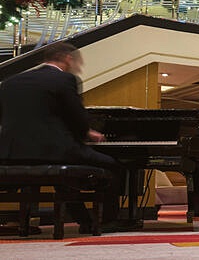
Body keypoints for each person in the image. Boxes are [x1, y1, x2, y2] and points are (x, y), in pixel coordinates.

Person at [0, 42, 125, 232]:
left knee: (65, 173)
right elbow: (78, 118)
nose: (78, 68)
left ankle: (85, 221)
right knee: (112, 165)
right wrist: (87, 132)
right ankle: (106, 222)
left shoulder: (10, 82)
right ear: (68, 58)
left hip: (11, 154)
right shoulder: (64, 79)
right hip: (54, 152)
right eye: (78, 63)